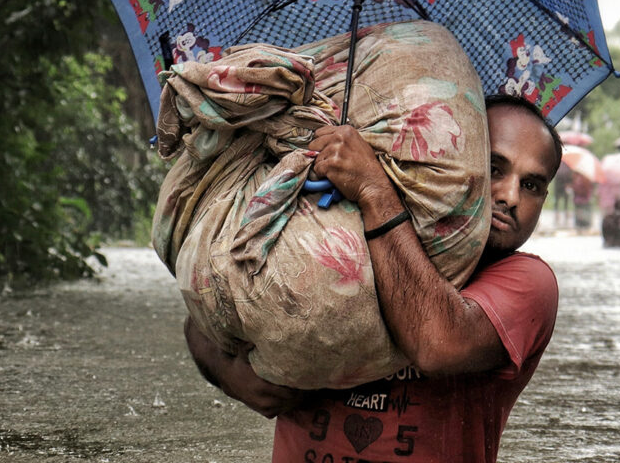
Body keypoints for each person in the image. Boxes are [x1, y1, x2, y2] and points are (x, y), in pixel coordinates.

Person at [185, 94, 562, 462]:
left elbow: (437, 344)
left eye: (531, 185)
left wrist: (372, 189)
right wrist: (231, 374)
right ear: (458, 161)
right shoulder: (336, 236)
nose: (510, 196)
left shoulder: (529, 283)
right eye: (494, 168)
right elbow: (206, 313)